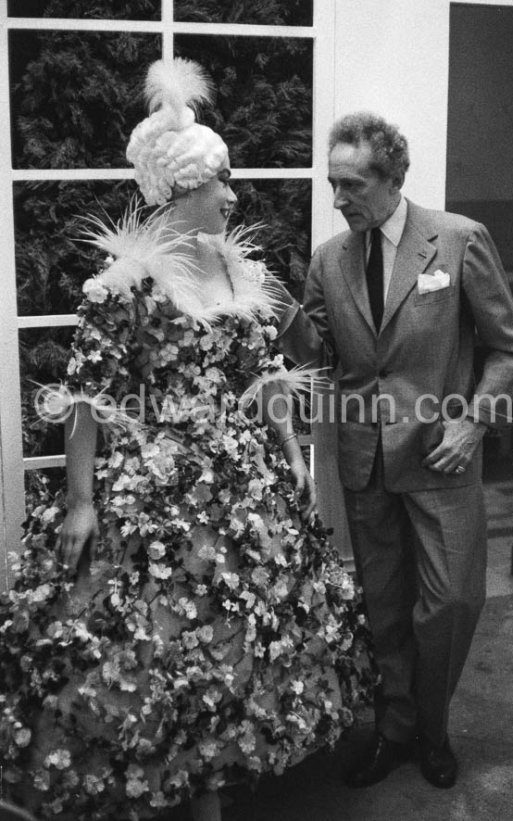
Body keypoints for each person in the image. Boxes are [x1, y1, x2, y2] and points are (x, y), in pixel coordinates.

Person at [0, 61, 372, 821]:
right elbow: (88, 401)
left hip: (239, 481)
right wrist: (79, 502)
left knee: (234, 633)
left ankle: (214, 786)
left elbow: (264, 373)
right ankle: (178, 786)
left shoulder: (237, 271)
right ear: (181, 189)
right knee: (160, 638)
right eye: (222, 183)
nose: (233, 196)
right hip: (157, 487)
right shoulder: (124, 285)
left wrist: (294, 453)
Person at [275, 111, 513, 790]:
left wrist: (473, 423)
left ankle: (432, 725)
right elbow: (317, 355)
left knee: (450, 600)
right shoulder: (330, 258)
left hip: (443, 453)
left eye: (352, 184)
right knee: (383, 604)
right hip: (365, 459)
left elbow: (510, 348)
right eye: (333, 183)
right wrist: (276, 309)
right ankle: (395, 729)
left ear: (393, 178)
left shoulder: (458, 240)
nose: (338, 199)